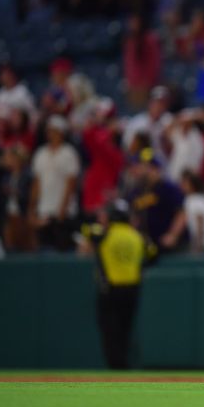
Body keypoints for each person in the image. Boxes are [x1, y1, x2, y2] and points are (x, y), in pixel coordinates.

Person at [79, 199, 156, 369]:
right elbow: (152, 252)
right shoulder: (137, 236)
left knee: (109, 329)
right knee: (125, 329)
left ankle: (116, 366)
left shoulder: (104, 233)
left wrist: (102, 223)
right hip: (132, 288)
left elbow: (85, 230)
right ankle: (122, 364)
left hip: (110, 288)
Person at [29, 115, 80, 251]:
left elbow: (71, 184)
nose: (51, 134)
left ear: (62, 133)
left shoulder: (69, 154)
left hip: (63, 215)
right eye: (50, 131)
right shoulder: (40, 154)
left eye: (55, 131)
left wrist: (61, 212)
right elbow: (37, 184)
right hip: (44, 212)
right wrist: (32, 210)